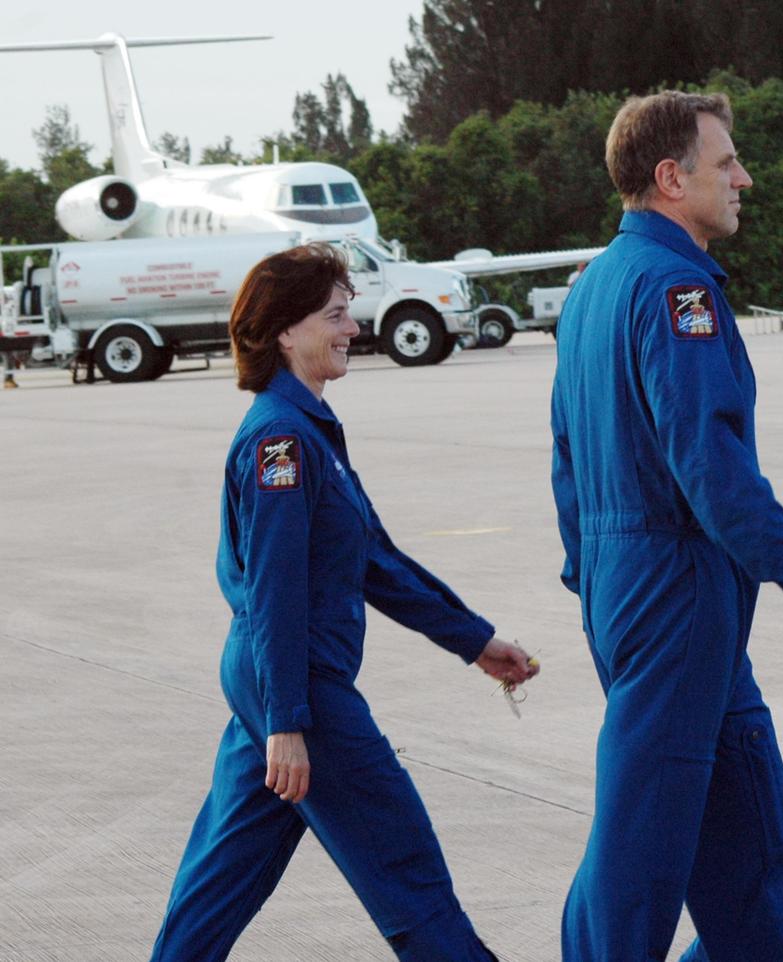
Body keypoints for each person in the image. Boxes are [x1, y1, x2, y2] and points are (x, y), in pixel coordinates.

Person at [149, 243, 537, 962]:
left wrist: (474, 641)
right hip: (299, 686)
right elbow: (273, 593)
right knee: (403, 865)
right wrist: (290, 723)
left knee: (220, 880)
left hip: (275, 684)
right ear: (285, 332)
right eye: (335, 314)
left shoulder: (309, 432)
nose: (353, 327)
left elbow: (374, 561)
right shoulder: (282, 443)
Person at [550, 91, 783, 962]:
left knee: (754, 854)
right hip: (676, 591)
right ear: (669, 177)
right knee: (641, 851)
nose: (744, 178)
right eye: (725, 162)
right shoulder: (676, 287)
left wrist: (596, 582)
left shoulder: (593, 287)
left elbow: (567, 460)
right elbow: (711, 468)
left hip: (636, 590)